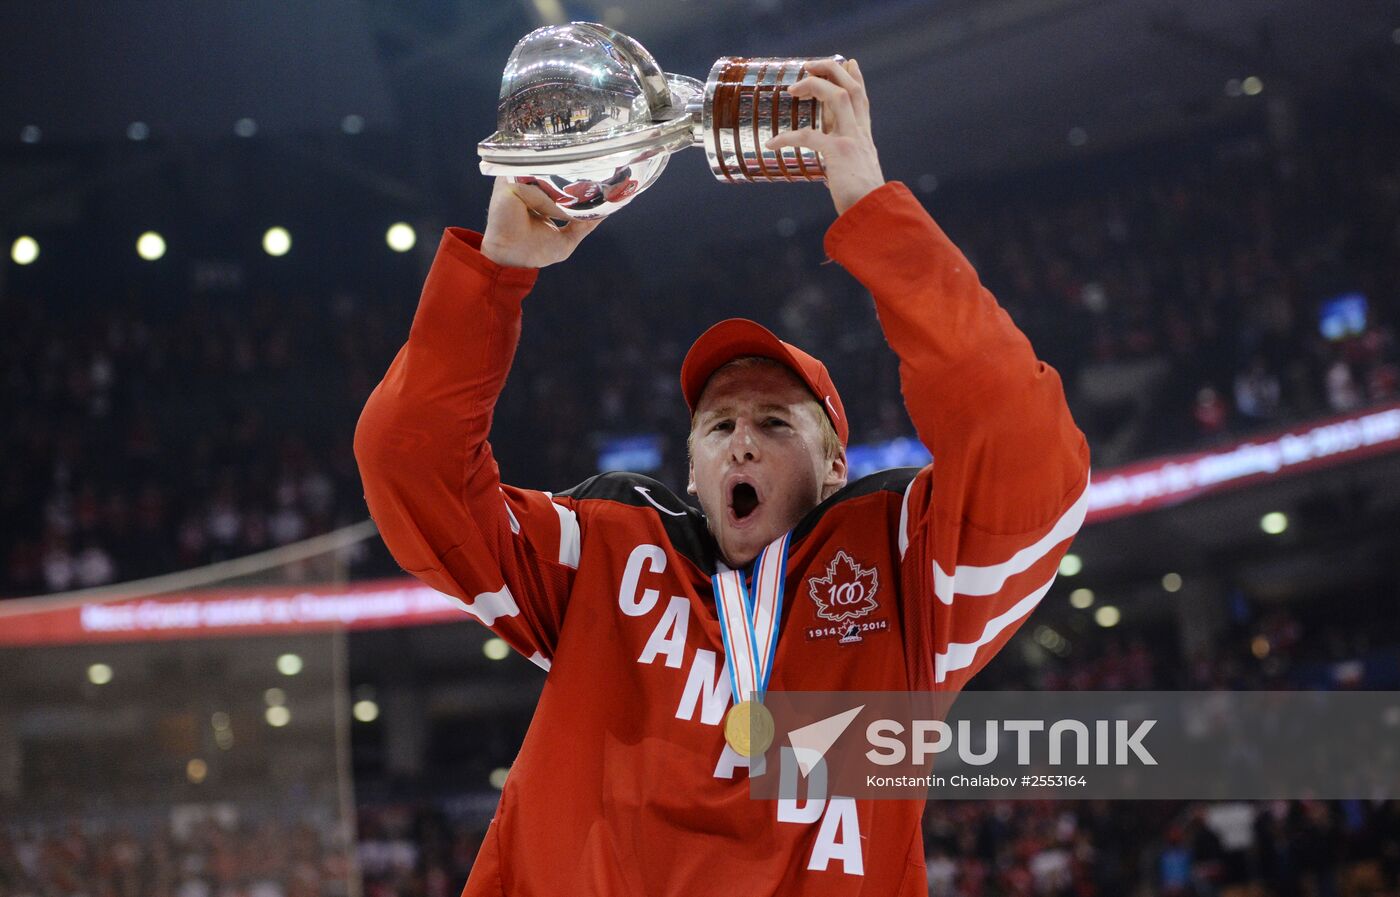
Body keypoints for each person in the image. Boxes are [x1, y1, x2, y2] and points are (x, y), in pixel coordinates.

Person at [355, 59, 1089, 897]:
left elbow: (1027, 449)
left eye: (776, 423)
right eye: (718, 426)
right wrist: (494, 271)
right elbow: (407, 464)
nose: (741, 443)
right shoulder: (605, 548)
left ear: (837, 464)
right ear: (692, 469)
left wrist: (871, 208)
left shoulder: (904, 574)